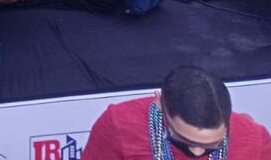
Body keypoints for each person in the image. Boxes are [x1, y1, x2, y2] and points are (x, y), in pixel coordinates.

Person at [83, 66, 271, 159]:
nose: (198, 152)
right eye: (184, 140)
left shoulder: (253, 137)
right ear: (160, 103)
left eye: (214, 144)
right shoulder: (118, 124)